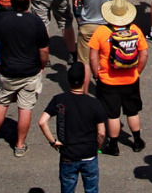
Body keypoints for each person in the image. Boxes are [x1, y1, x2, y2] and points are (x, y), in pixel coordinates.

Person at [0, 0, 50, 155]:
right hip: (30, 71)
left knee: (1, 103)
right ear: (28, 1)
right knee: (25, 108)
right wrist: (42, 66)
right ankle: (20, 145)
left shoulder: (1, 19)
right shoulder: (36, 22)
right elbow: (44, 50)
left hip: (7, 70)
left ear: (11, 2)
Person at [90, 0, 147, 155]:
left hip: (108, 80)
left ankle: (113, 145)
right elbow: (144, 54)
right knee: (132, 110)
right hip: (131, 78)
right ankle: (137, 140)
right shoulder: (134, 30)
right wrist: (138, 71)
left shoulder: (101, 31)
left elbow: (93, 56)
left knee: (112, 113)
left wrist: (96, 74)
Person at [42, 62, 108, 193]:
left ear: (68, 80)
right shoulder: (94, 103)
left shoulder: (59, 100)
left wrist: (53, 141)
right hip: (89, 154)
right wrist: (98, 148)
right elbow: (101, 133)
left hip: (68, 155)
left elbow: (42, 122)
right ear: (84, 80)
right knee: (92, 189)